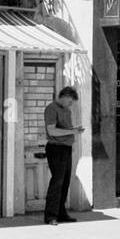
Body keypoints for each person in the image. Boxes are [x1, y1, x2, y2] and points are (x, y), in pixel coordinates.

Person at [43, 86, 83, 226]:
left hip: (66, 148)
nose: (71, 104)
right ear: (65, 96)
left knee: (65, 182)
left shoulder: (67, 110)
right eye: (70, 101)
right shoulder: (51, 109)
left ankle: (61, 213)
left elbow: (66, 130)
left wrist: (74, 131)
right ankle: (50, 216)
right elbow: (52, 131)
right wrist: (72, 132)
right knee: (57, 182)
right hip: (55, 148)